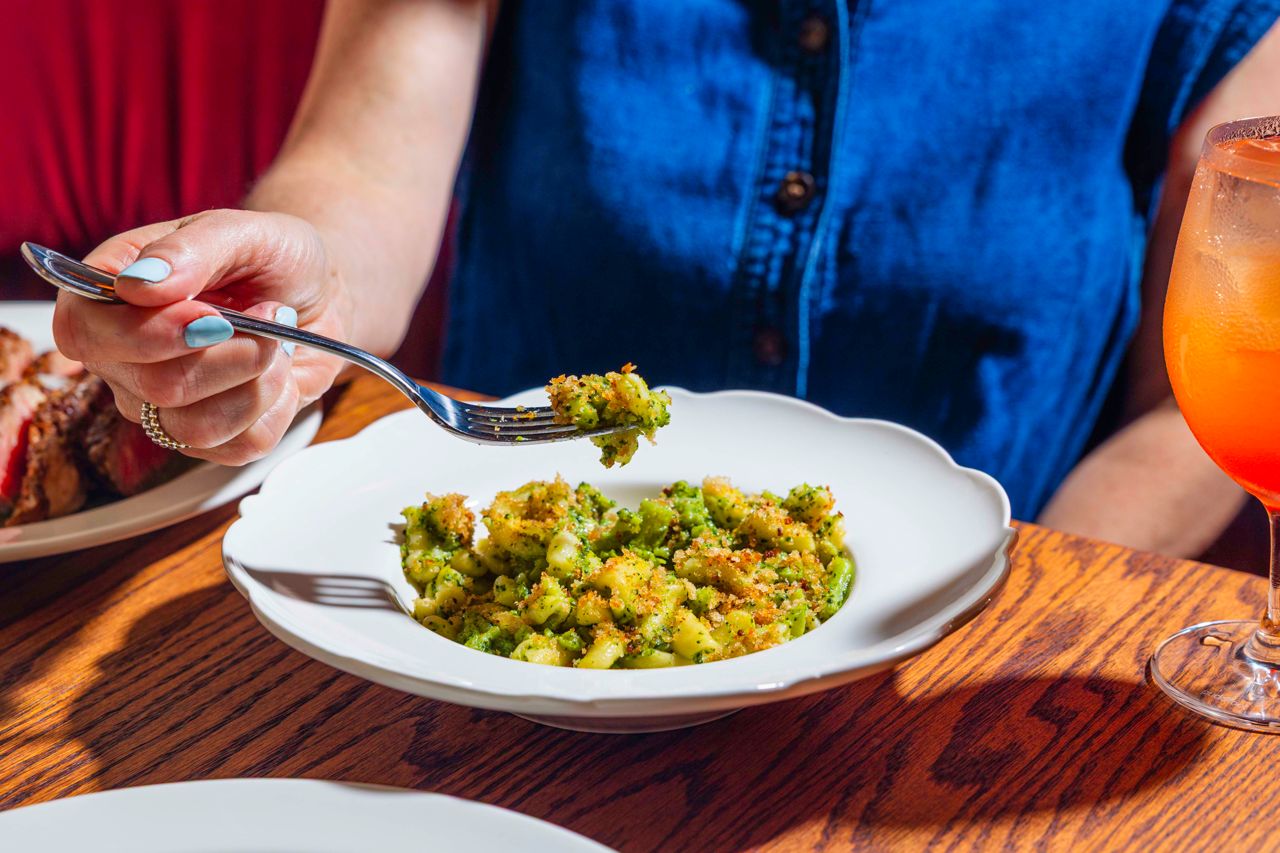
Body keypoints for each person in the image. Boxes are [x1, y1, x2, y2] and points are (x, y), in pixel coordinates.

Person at [51, 1, 1280, 557]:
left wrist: (1000, 608)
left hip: (972, 646)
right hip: (498, 598)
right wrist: (279, 314)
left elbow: (1211, 384)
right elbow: (363, 181)